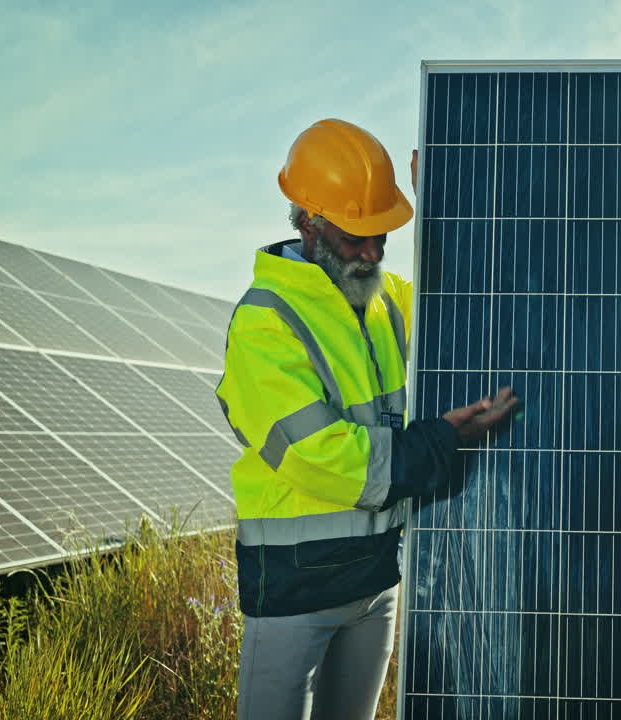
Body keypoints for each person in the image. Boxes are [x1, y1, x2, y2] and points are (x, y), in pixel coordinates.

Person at [216, 118, 519, 720]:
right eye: (358, 237)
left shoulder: (382, 302)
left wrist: (452, 202)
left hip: (377, 583)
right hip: (296, 597)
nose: (374, 252)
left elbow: (461, 303)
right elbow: (321, 457)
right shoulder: (265, 321)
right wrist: (439, 443)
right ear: (308, 221)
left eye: (382, 235)